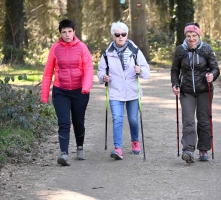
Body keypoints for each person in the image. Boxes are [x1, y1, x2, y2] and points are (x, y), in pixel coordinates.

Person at [41, 19, 94, 166]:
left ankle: (80, 147)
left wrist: (86, 87)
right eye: (64, 32)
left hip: (79, 91)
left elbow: (89, 68)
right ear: (60, 33)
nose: (67, 34)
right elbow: (47, 73)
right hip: (61, 91)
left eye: (69, 31)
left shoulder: (82, 47)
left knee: (78, 121)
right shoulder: (55, 48)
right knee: (63, 122)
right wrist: (44, 95)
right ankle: (64, 154)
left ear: (74, 32)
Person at [97, 21, 150, 160]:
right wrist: (104, 77)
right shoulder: (107, 53)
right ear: (113, 36)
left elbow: (146, 71)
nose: (121, 37)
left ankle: (135, 141)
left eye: (123, 34)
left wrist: (140, 70)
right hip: (115, 91)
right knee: (117, 119)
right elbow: (101, 71)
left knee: (133, 119)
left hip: (133, 91)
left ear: (127, 35)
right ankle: (118, 148)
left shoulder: (135, 51)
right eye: (117, 34)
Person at [171, 22, 220, 163]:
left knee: (204, 120)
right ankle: (188, 150)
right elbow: (175, 70)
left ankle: (203, 150)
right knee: (188, 121)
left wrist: (212, 75)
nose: (191, 38)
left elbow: (215, 68)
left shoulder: (206, 49)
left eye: (194, 36)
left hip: (205, 90)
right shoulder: (180, 50)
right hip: (186, 91)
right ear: (185, 36)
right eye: (188, 36)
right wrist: (175, 84)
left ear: (199, 36)